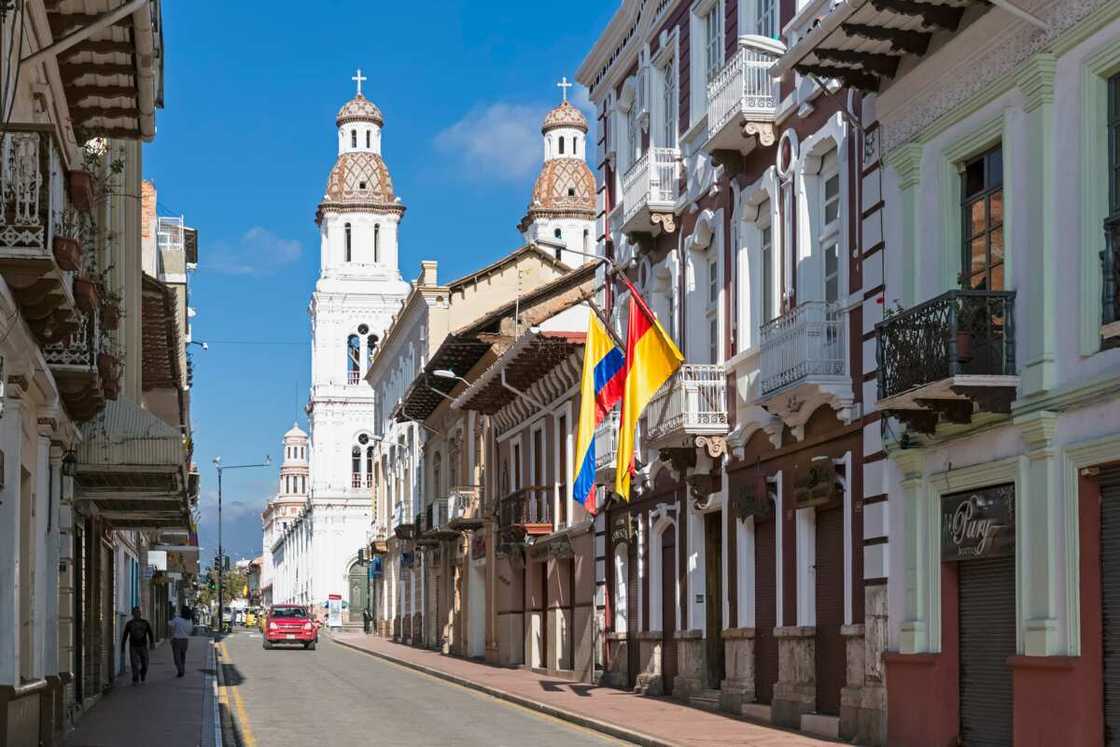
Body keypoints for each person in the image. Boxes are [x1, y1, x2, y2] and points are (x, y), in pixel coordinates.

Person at [120, 607, 154, 684]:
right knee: (134, 664)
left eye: (138, 612)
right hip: (133, 646)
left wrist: (152, 643)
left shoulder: (145, 623)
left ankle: (142, 673)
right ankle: (135, 678)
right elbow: (125, 635)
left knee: (145, 663)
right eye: (135, 612)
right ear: (133, 614)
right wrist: (122, 646)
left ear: (140, 613)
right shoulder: (129, 624)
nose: (137, 614)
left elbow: (150, 633)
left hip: (143, 646)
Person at [170, 605, 194, 677]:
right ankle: (182, 669)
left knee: (177, 658)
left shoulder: (177, 619)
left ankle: (180, 670)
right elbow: (190, 631)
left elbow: (170, 624)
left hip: (177, 640)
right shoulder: (189, 620)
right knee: (182, 656)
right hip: (185, 641)